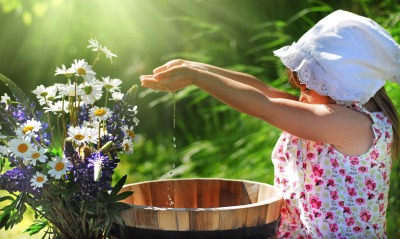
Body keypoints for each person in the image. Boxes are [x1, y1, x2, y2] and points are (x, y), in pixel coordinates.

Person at [140, 10, 399, 238]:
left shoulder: (350, 124)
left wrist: (197, 77)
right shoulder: (333, 112)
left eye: (308, 86)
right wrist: (193, 66)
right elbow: (262, 89)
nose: (301, 97)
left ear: (338, 83)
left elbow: (265, 106)